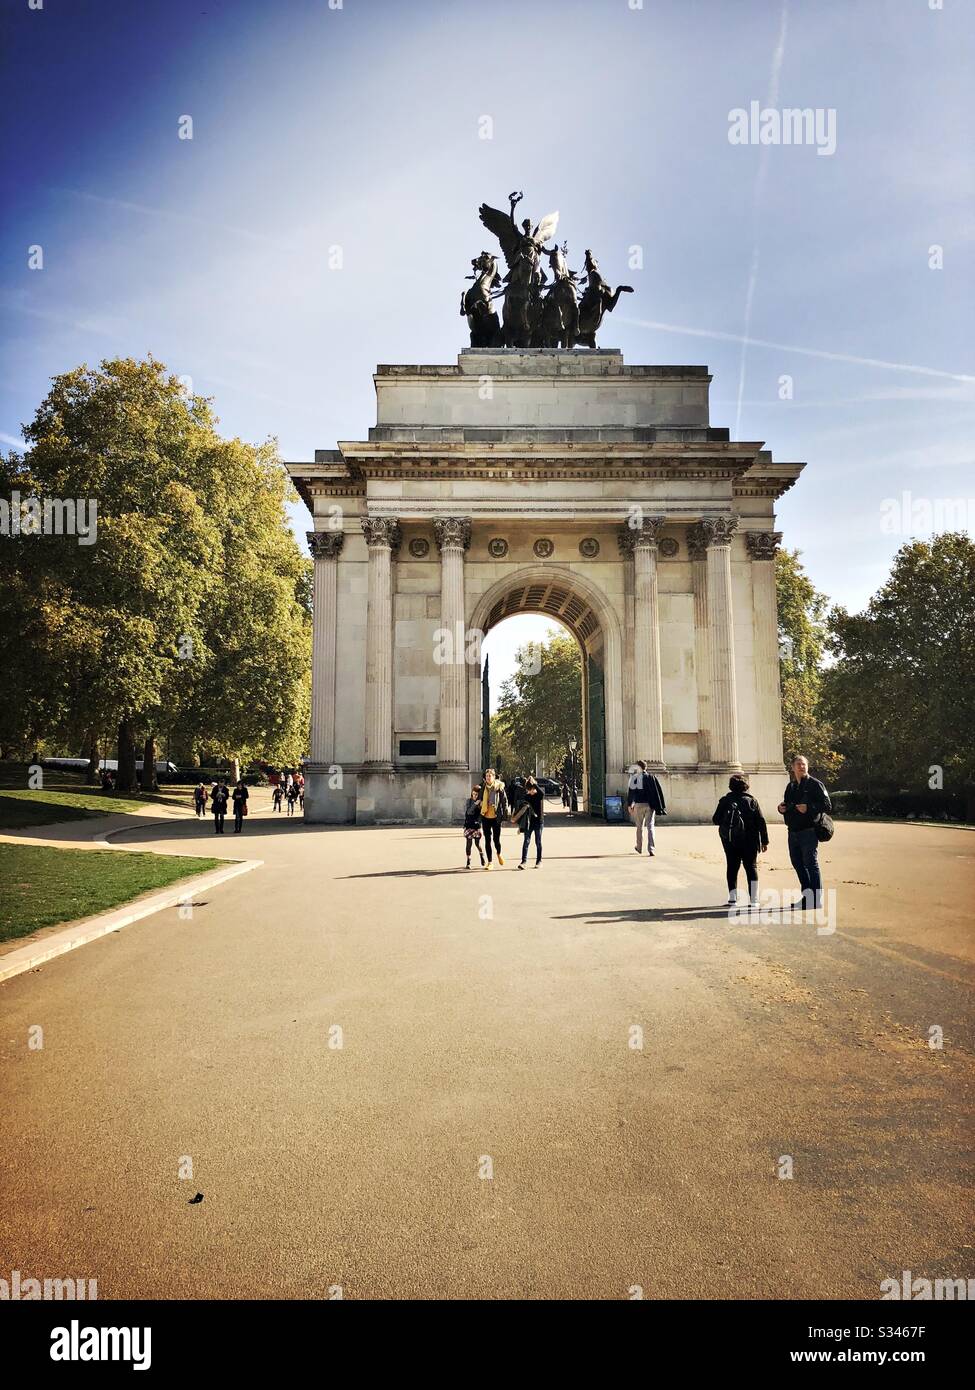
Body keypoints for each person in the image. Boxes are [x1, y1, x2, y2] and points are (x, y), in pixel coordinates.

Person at [778, 754, 831, 908]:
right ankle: (808, 897)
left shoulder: (816, 784)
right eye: (798, 764)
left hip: (808, 831)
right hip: (793, 831)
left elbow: (827, 806)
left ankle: (816, 900)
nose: (802, 767)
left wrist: (809, 808)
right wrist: (781, 808)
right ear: (793, 767)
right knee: (798, 864)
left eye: (804, 764)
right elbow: (787, 805)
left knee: (811, 864)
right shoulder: (791, 786)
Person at [712, 773, 769, 907]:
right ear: (746, 786)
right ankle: (754, 900)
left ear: (731, 786)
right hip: (750, 840)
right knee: (751, 867)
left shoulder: (725, 800)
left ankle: (732, 899)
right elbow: (761, 822)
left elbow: (716, 820)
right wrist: (765, 841)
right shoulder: (752, 801)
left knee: (732, 867)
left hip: (730, 839)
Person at [626, 759, 667, 856]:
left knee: (639, 827)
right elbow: (658, 792)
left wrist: (629, 805)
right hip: (649, 805)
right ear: (646, 768)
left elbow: (631, 792)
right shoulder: (651, 777)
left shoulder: (635, 778)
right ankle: (651, 848)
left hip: (638, 805)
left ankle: (639, 847)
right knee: (650, 826)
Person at [480, 768, 508, 868]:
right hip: (485, 817)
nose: (488, 778)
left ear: (494, 777)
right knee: (487, 840)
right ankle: (490, 862)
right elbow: (480, 800)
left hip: (496, 818)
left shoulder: (499, 788)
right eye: (487, 776)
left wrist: (504, 816)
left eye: (490, 776)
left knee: (496, 840)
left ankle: (499, 853)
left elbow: (504, 802)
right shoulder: (483, 788)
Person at [518, 774, 544, 868]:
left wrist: (535, 784)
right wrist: (520, 826)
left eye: (532, 789)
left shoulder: (539, 795)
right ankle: (523, 861)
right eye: (529, 790)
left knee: (538, 841)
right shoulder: (527, 797)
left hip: (539, 822)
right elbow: (523, 811)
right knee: (526, 841)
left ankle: (539, 861)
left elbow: (542, 794)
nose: (531, 792)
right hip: (529, 822)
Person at [463, 786, 486, 868]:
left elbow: (481, 815)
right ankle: (468, 861)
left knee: (477, 844)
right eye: (473, 794)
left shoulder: (481, 803)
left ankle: (481, 855)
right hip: (468, 824)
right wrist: (475, 804)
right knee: (468, 844)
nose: (474, 796)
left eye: (476, 794)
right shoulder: (469, 801)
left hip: (476, 826)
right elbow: (469, 812)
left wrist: (479, 822)